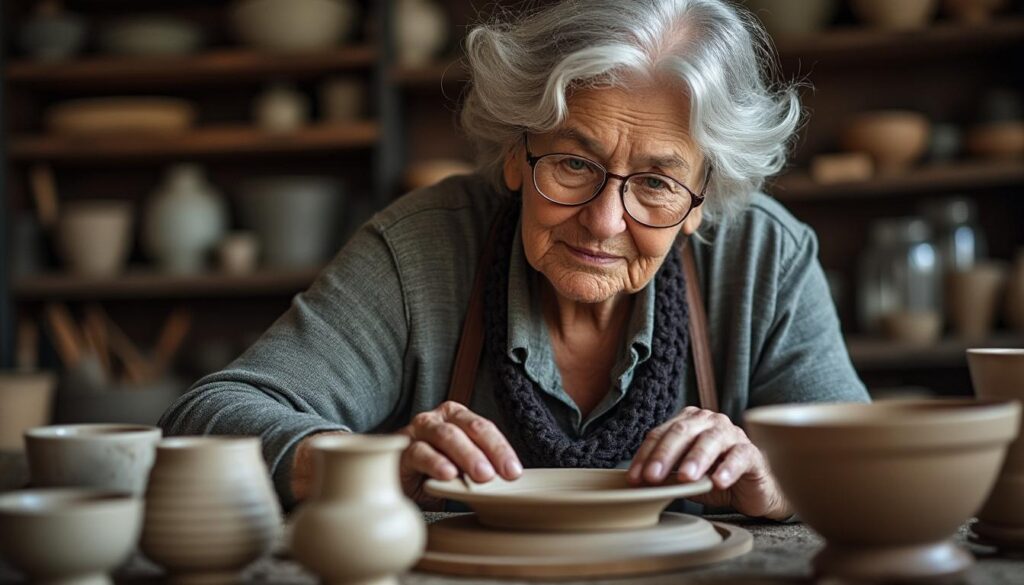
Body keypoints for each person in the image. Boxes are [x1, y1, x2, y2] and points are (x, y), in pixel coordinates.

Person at [160, 0, 869, 520]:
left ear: (701, 202)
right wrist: (369, 465)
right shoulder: (420, 248)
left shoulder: (763, 257)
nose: (603, 219)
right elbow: (209, 414)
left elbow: (872, 463)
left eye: (655, 183)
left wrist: (779, 481)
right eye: (570, 162)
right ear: (513, 150)